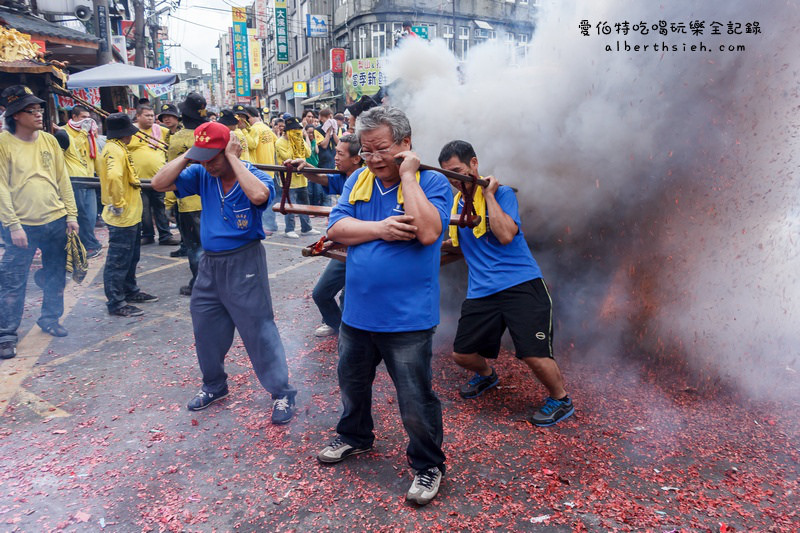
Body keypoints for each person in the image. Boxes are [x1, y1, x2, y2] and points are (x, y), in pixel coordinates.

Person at [316, 106, 452, 506]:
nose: (372, 158)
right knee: (352, 385)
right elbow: (336, 228)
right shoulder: (359, 179)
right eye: (366, 149)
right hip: (358, 312)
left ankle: (428, 465)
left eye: (381, 149)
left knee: (415, 398)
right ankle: (355, 437)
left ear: (406, 144)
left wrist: (409, 175)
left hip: (408, 318)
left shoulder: (432, 182)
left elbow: (427, 231)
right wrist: (380, 229)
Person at [151, 122, 297, 424]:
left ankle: (282, 392)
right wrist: (190, 157)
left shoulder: (252, 175)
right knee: (205, 328)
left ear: (231, 151)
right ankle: (214, 385)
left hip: (245, 262)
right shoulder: (201, 172)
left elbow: (259, 197)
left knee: (258, 329)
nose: (209, 165)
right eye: (204, 158)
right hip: (210, 264)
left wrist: (232, 158)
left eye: (213, 157)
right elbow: (159, 184)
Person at [437, 140, 574, 426]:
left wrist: (488, 196)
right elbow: (457, 244)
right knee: (462, 354)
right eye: (448, 175)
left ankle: (560, 399)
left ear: (474, 164)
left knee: (533, 356)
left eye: (458, 171)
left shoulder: (503, 194)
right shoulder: (457, 204)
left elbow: (505, 234)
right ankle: (487, 377)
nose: (454, 180)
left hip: (521, 284)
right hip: (482, 291)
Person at [0, 85, 79, 359]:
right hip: (22, 224)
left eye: (39, 109)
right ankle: (7, 334)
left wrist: (71, 214)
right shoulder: (4, 144)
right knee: (12, 280)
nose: (38, 114)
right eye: (30, 110)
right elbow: (1, 187)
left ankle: (50, 318)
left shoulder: (49, 140)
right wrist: (13, 225)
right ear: (15, 115)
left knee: (56, 274)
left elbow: (62, 178)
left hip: (55, 219)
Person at [289, 133, 362, 337]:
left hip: (364, 247)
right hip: (343, 245)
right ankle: (338, 326)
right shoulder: (345, 177)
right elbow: (321, 178)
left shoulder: (372, 179)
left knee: (351, 297)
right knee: (321, 293)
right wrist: (304, 167)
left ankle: (351, 334)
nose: (335, 157)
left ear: (357, 158)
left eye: (340, 153)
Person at [98, 112, 159, 317]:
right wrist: (118, 203)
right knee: (118, 260)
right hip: (122, 216)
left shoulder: (117, 147)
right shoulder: (114, 150)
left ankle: (129, 291)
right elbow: (114, 176)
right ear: (125, 133)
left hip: (130, 215)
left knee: (131, 257)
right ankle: (116, 302)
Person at [165, 93, 208, 295]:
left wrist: (168, 203)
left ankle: (199, 284)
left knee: (195, 246)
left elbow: (172, 174)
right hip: (212, 197)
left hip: (188, 201)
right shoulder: (210, 135)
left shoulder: (178, 139)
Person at [128, 104, 179, 245]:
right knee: (144, 210)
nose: (150, 118)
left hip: (159, 178)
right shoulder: (130, 131)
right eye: (147, 115)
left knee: (161, 207)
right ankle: (148, 234)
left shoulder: (161, 131)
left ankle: (165, 235)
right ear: (138, 116)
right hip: (138, 179)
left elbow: (173, 142)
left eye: (152, 115)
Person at [63, 105, 103, 258]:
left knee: (91, 216)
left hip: (90, 179)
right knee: (81, 216)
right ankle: (83, 247)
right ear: (73, 117)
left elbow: (96, 157)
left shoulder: (90, 134)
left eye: (88, 118)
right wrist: (84, 132)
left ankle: (86, 246)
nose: (87, 121)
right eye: (83, 118)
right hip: (75, 180)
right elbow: (73, 149)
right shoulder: (65, 132)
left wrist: (102, 177)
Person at [275, 117, 319, 238]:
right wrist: (292, 142)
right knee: (290, 205)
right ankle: (289, 229)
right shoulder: (280, 142)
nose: (297, 133)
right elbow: (288, 156)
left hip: (302, 179)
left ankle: (306, 228)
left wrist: (301, 140)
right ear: (287, 131)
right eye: (294, 130)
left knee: (304, 204)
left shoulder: (299, 140)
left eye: (298, 130)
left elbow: (308, 153)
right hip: (288, 180)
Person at [240, 105, 279, 235]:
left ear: (249, 117)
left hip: (258, 170)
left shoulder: (252, 130)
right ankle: (271, 224)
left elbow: (252, 145)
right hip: (270, 169)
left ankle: (265, 225)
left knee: (258, 200)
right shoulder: (266, 128)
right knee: (270, 199)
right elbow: (276, 143)